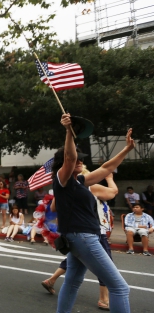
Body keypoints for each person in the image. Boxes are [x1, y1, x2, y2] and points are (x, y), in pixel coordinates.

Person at [52, 112, 133, 313]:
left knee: (72, 282)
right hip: (83, 237)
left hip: (80, 237)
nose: (80, 161)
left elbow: (107, 168)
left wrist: (127, 149)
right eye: (78, 158)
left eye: (82, 159)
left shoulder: (79, 181)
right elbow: (70, 157)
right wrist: (69, 131)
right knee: (120, 287)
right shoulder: (63, 180)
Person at [41, 170, 118, 310]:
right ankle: (103, 298)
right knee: (117, 283)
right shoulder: (89, 187)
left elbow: (53, 207)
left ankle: (51, 280)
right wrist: (109, 178)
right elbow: (113, 192)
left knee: (74, 272)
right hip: (92, 232)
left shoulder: (66, 188)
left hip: (75, 233)